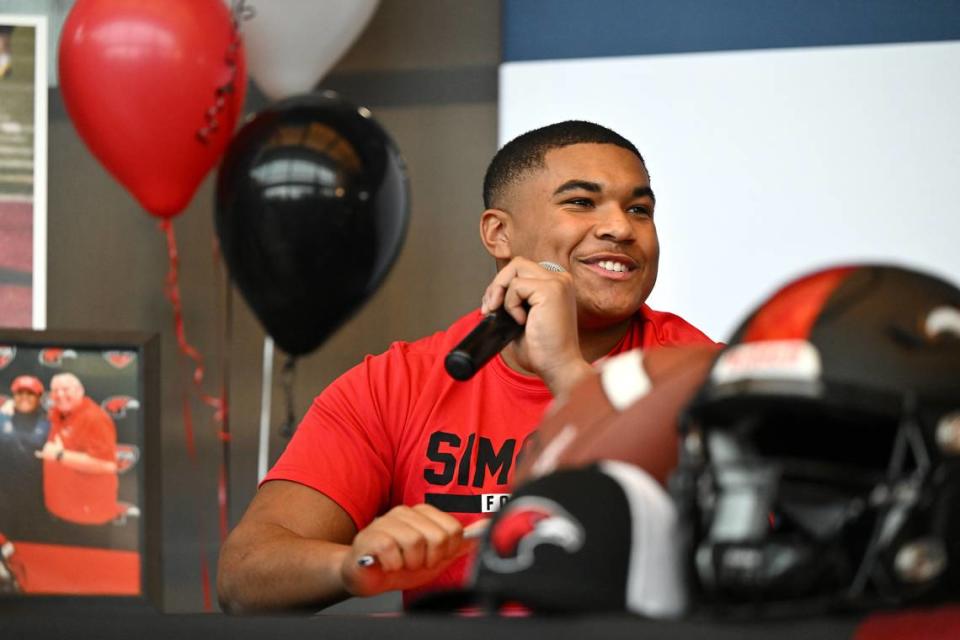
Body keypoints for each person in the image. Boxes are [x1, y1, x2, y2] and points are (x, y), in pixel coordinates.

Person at [218, 120, 717, 613]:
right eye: (581, 202)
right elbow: (245, 573)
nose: (621, 228)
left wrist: (565, 369)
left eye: (639, 209)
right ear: (498, 233)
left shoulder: (702, 371)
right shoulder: (395, 384)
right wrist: (357, 563)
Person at [34, 372, 119, 526]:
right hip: (60, 509)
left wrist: (60, 455)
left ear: (80, 391)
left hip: (86, 517)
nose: (60, 395)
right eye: (55, 390)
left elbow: (108, 466)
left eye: (66, 389)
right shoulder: (58, 413)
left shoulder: (95, 418)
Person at [0, 375, 51, 539]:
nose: (24, 397)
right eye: (20, 393)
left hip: (35, 499)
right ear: (13, 395)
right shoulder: (1, 419)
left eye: (30, 393)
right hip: (4, 498)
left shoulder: (49, 424)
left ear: (39, 397)